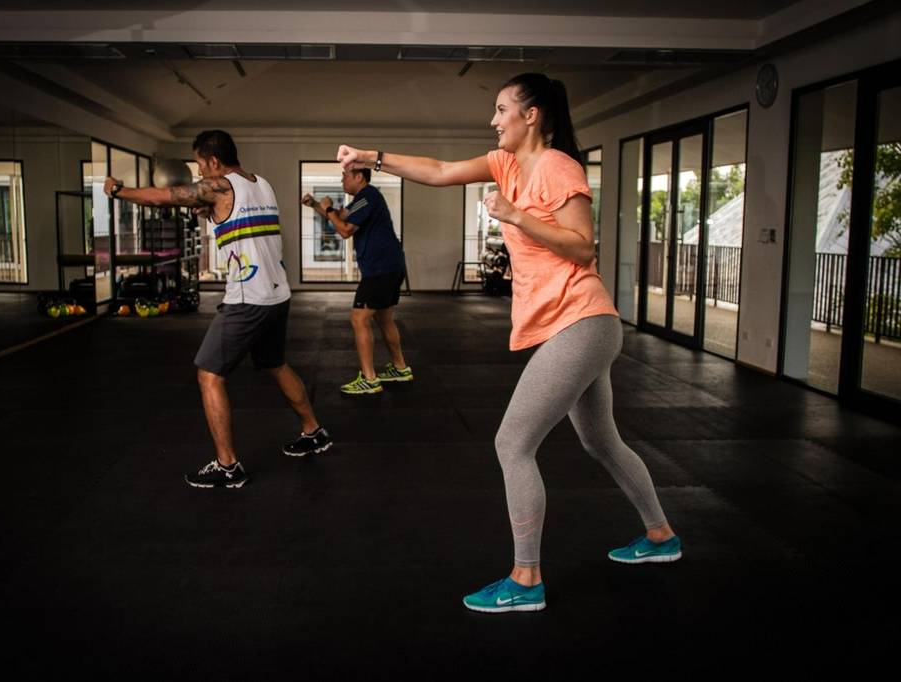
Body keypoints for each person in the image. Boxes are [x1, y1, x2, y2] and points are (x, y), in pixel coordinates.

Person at [337, 73, 681, 613]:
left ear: (532, 114)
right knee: (601, 442)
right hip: (578, 326)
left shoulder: (559, 167)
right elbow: (442, 170)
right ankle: (661, 535)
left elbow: (584, 249)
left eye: (502, 109)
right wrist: (372, 156)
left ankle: (525, 581)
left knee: (511, 444)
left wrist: (517, 216)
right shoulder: (504, 164)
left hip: (581, 321)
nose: (494, 119)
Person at [104, 129, 332, 490]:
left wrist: (119, 191)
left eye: (199, 165)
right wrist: (207, 211)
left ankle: (228, 467)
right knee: (275, 363)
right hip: (277, 294)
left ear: (213, 160)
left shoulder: (220, 185)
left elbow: (163, 197)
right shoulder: (262, 183)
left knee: (209, 374)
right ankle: (314, 431)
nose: (199, 174)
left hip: (247, 299)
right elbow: (240, 223)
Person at [301, 168, 413, 395]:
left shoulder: (367, 196)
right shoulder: (363, 200)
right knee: (384, 318)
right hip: (390, 265)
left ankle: (370, 379)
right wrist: (315, 205)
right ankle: (400, 368)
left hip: (380, 269)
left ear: (359, 177)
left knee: (359, 318)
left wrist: (329, 208)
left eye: (345, 176)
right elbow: (342, 218)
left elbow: (344, 230)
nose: (341, 179)